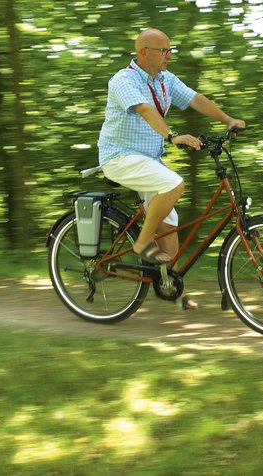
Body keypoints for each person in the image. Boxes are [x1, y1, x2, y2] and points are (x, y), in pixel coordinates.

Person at [98, 28, 245, 309]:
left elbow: (194, 98)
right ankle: (142, 243)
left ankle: (171, 290)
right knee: (174, 184)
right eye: (163, 51)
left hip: (148, 160)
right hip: (120, 157)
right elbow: (144, 110)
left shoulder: (164, 80)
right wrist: (171, 136)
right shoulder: (123, 80)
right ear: (144, 53)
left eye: (170, 50)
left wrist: (228, 119)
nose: (169, 56)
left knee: (169, 228)